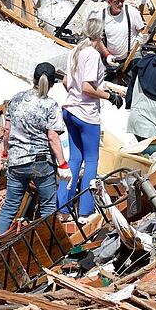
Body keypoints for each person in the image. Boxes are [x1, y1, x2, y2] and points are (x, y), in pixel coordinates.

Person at [0, 62, 71, 234]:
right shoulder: (50, 105)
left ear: (33, 78)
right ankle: (48, 249)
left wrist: (6, 153)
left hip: (16, 161)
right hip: (41, 163)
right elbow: (52, 136)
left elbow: (7, 130)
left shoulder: (16, 99)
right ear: (52, 84)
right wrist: (63, 164)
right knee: (48, 209)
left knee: (9, 208)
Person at [59, 17, 123, 216]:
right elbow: (87, 88)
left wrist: (75, 93)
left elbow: (65, 81)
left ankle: (63, 205)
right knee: (92, 160)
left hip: (70, 109)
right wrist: (110, 96)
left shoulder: (75, 51)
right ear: (100, 34)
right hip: (86, 114)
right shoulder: (92, 55)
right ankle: (86, 208)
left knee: (74, 158)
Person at [91, 0, 144, 66]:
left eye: (122, 1)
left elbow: (141, 31)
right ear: (109, 2)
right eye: (117, 2)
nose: (120, 4)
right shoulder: (101, 16)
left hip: (131, 56)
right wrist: (107, 55)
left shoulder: (131, 12)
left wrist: (142, 38)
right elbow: (98, 39)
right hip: (111, 57)